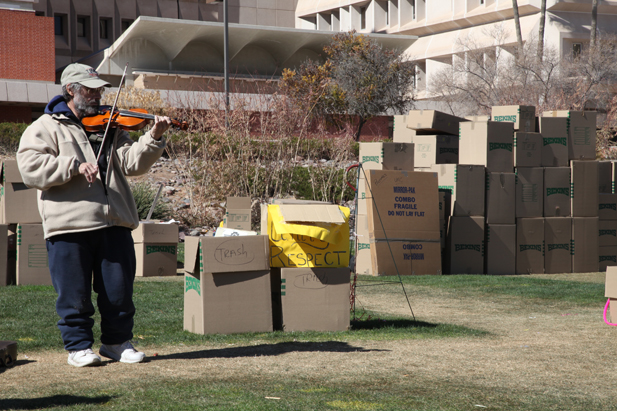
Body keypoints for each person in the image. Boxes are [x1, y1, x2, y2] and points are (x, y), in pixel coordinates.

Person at [17, 63, 172, 367]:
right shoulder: (45, 127)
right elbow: (30, 169)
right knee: (74, 295)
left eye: (100, 89)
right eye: (89, 89)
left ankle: (116, 343)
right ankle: (78, 348)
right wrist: (72, 167)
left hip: (114, 221)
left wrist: (153, 137)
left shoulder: (109, 126)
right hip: (69, 226)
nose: (97, 95)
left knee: (119, 293)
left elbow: (130, 164)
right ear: (70, 90)